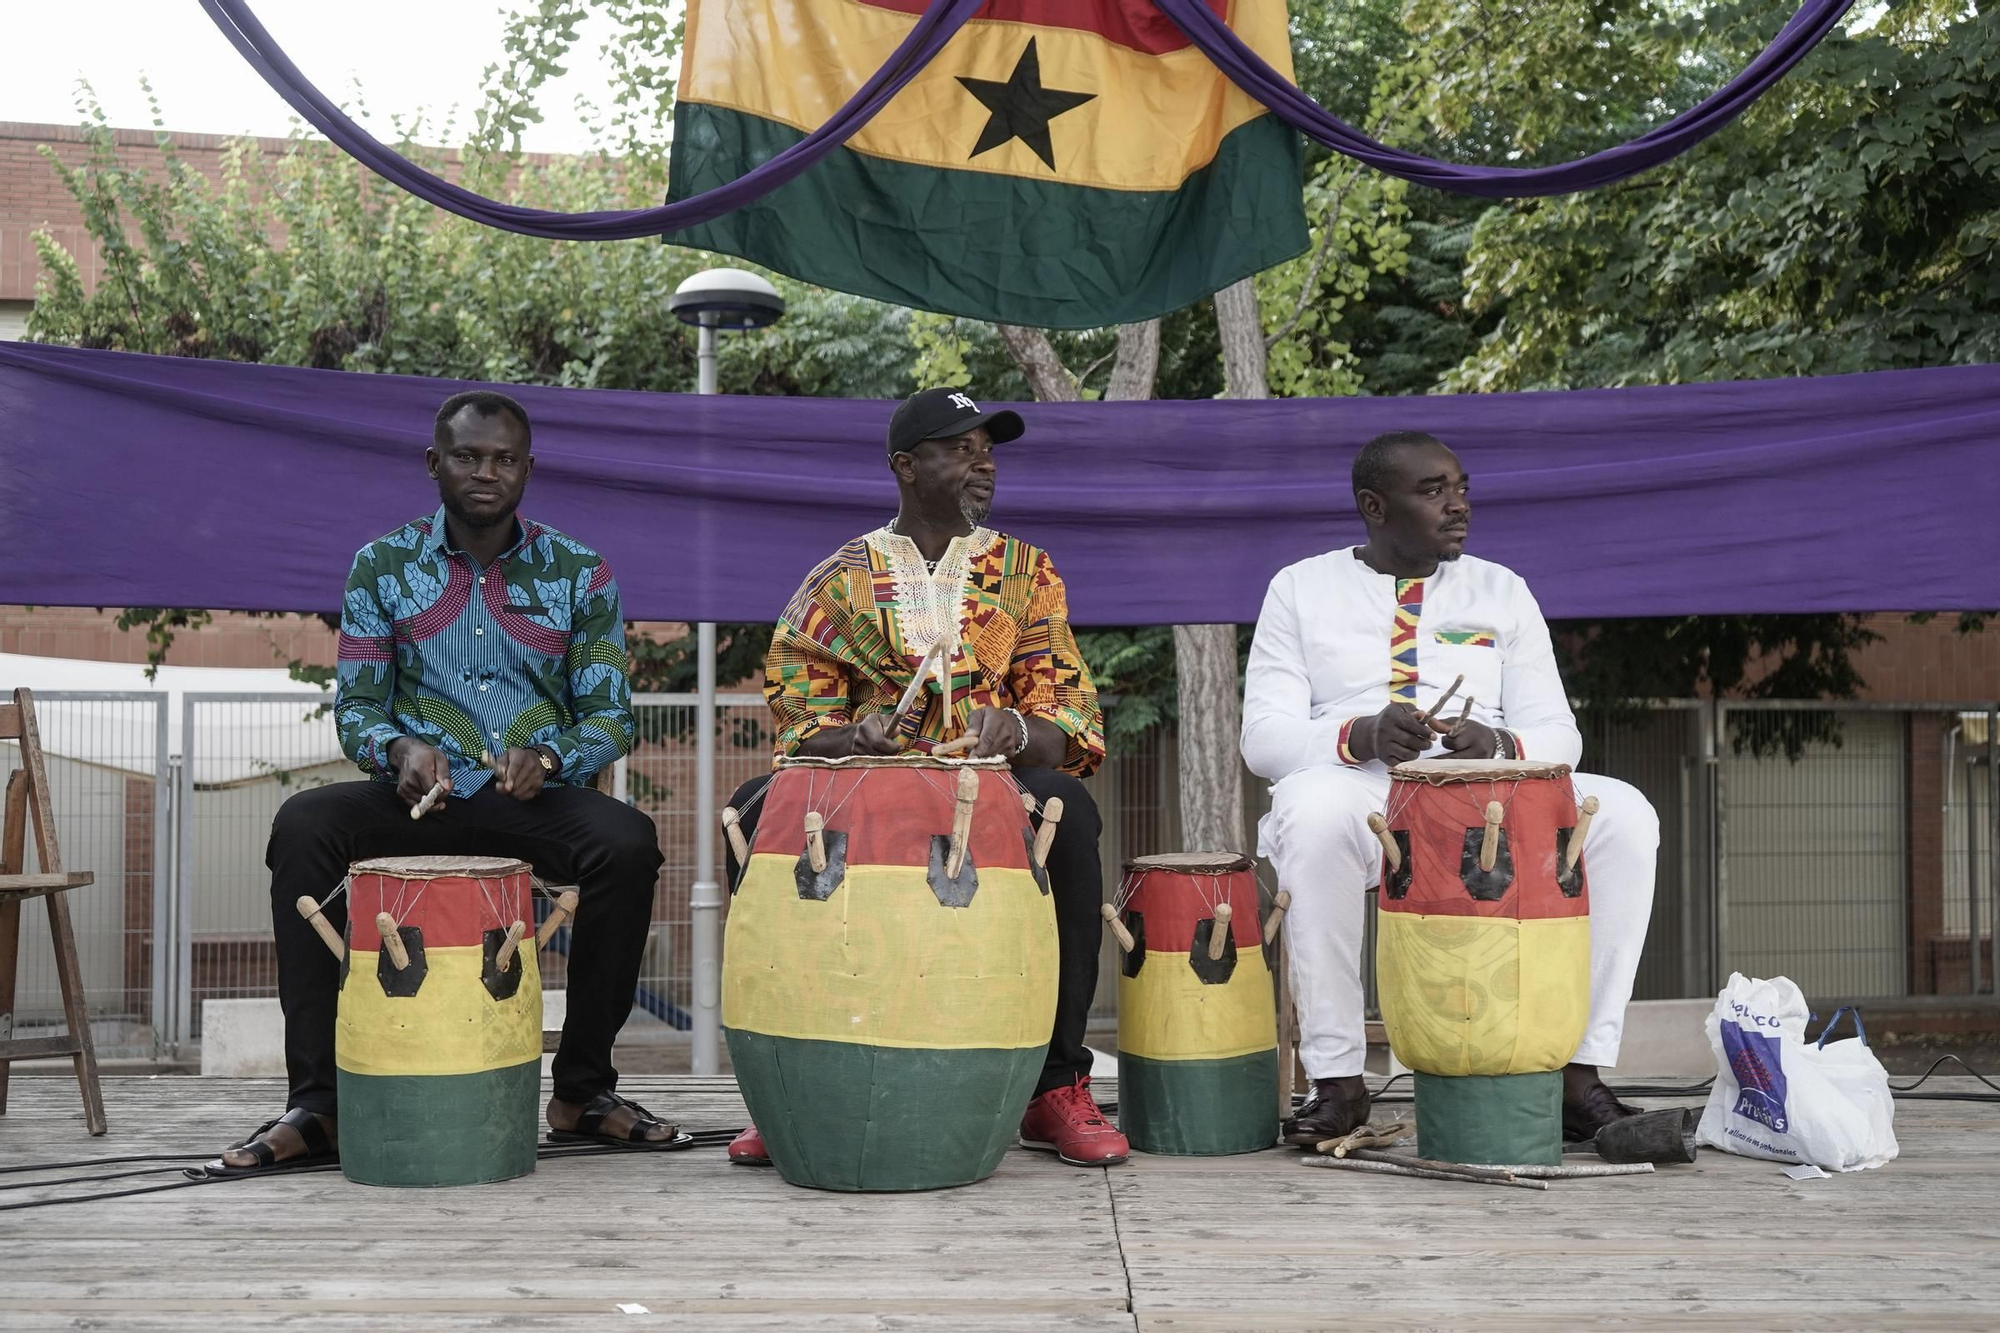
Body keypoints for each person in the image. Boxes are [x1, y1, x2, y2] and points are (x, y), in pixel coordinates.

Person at [207, 390, 674, 1174]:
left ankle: (582, 1091)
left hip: (532, 801)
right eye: (467, 456)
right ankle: (320, 1103)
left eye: (503, 458)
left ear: (528, 468)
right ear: (435, 464)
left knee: (627, 842)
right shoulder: (381, 565)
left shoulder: (580, 572)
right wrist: (398, 749)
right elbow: (356, 706)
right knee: (303, 825)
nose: (485, 472)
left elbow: (609, 715)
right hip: (416, 802)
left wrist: (551, 757)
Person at [724, 387, 1128, 1169]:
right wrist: (852, 736)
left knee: (1070, 810)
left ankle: (1054, 1084)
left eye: (989, 448)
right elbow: (800, 716)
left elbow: (1072, 717)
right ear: (906, 466)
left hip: (992, 789)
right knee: (752, 810)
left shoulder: (1026, 572)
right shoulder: (839, 580)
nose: (984, 462)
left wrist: (1018, 729)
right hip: (868, 792)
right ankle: (786, 1089)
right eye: (961, 447)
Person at [1240, 430, 1660, 1145]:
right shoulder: (1300, 588)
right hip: (1363, 793)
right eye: (1433, 491)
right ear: (1375, 506)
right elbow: (1264, 740)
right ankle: (1338, 1080)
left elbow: (1559, 733)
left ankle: (1577, 1071)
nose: (1458, 505)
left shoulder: (1503, 590)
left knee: (1624, 813)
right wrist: (1359, 735)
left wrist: (1501, 744)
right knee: (1309, 813)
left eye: (1460, 487)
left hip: (1494, 795)